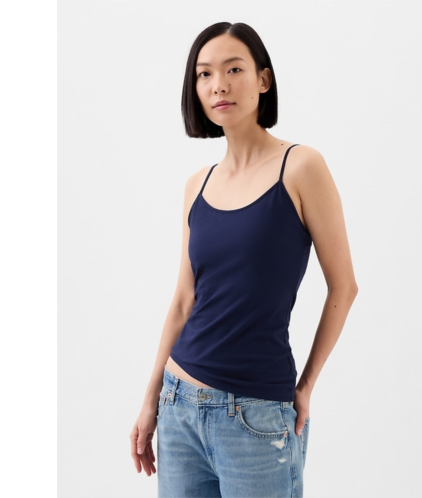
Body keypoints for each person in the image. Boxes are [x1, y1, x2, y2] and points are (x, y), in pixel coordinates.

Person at [130, 21, 358, 498]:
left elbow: (344, 286)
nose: (219, 85)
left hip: (256, 414)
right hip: (178, 405)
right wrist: (151, 399)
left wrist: (306, 385)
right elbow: (184, 300)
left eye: (233, 69)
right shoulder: (197, 184)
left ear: (263, 79)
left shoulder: (301, 167)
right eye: (204, 74)